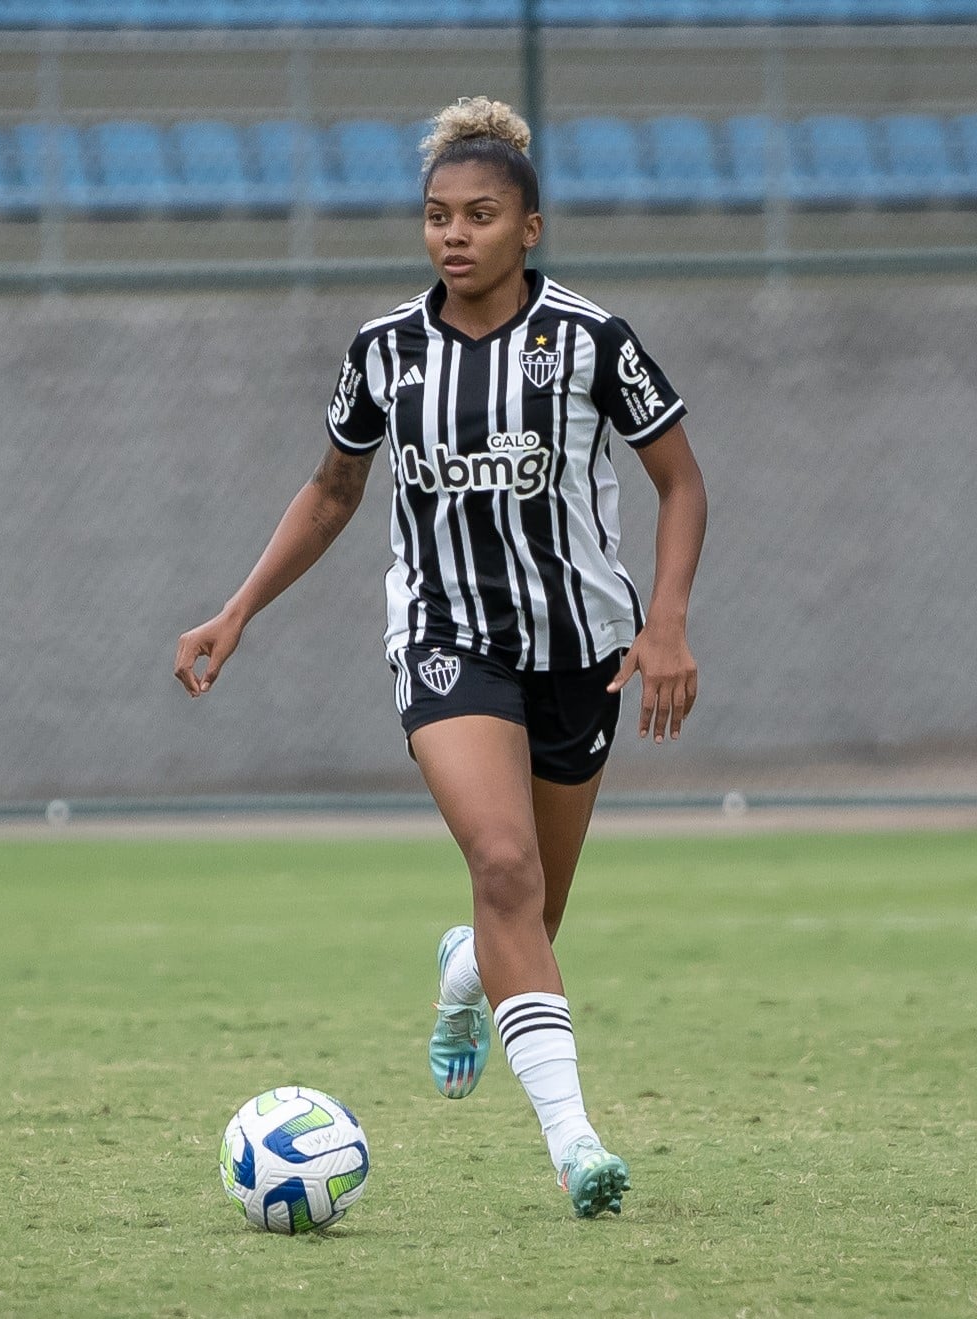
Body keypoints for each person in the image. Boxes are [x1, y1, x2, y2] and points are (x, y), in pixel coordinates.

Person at [174, 95, 708, 1219]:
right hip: (443, 641)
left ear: (529, 228)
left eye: (477, 215)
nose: (452, 235)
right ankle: (576, 1145)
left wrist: (663, 620)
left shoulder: (589, 340)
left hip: (580, 653)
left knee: (526, 918)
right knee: (505, 867)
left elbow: (680, 482)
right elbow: (332, 493)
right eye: (434, 216)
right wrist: (236, 610)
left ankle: (463, 971)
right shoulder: (383, 354)